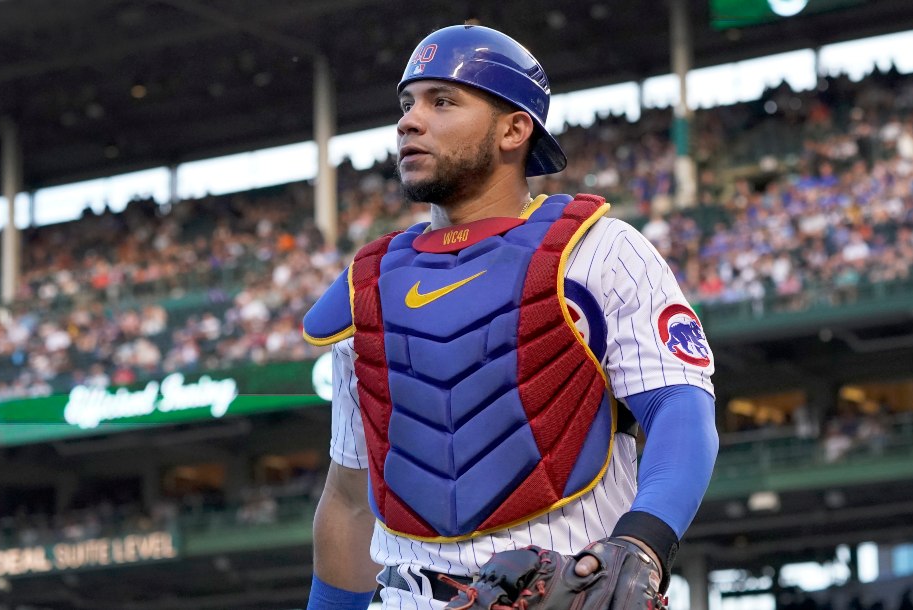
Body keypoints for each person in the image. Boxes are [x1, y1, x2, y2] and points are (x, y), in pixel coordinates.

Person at [302, 24, 718, 610]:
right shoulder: (364, 286)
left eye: (441, 101)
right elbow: (347, 500)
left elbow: (679, 405)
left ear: (514, 129)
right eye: (407, 104)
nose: (409, 121)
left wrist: (643, 542)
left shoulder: (600, 250)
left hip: (571, 588)